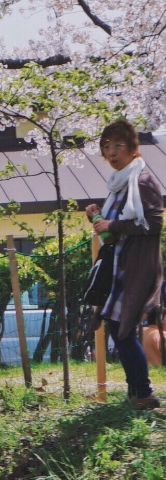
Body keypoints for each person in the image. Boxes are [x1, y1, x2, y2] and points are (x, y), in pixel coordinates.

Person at [87, 119, 165, 409]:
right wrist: (97, 215)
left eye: (118, 145)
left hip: (136, 269)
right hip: (119, 267)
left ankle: (143, 393)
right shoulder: (119, 184)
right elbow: (115, 225)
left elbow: (154, 224)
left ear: (134, 149)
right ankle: (136, 393)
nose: (111, 152)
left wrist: (113, 223)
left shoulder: (143, 181)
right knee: (119, 330)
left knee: (123, 329)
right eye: (106, 146)